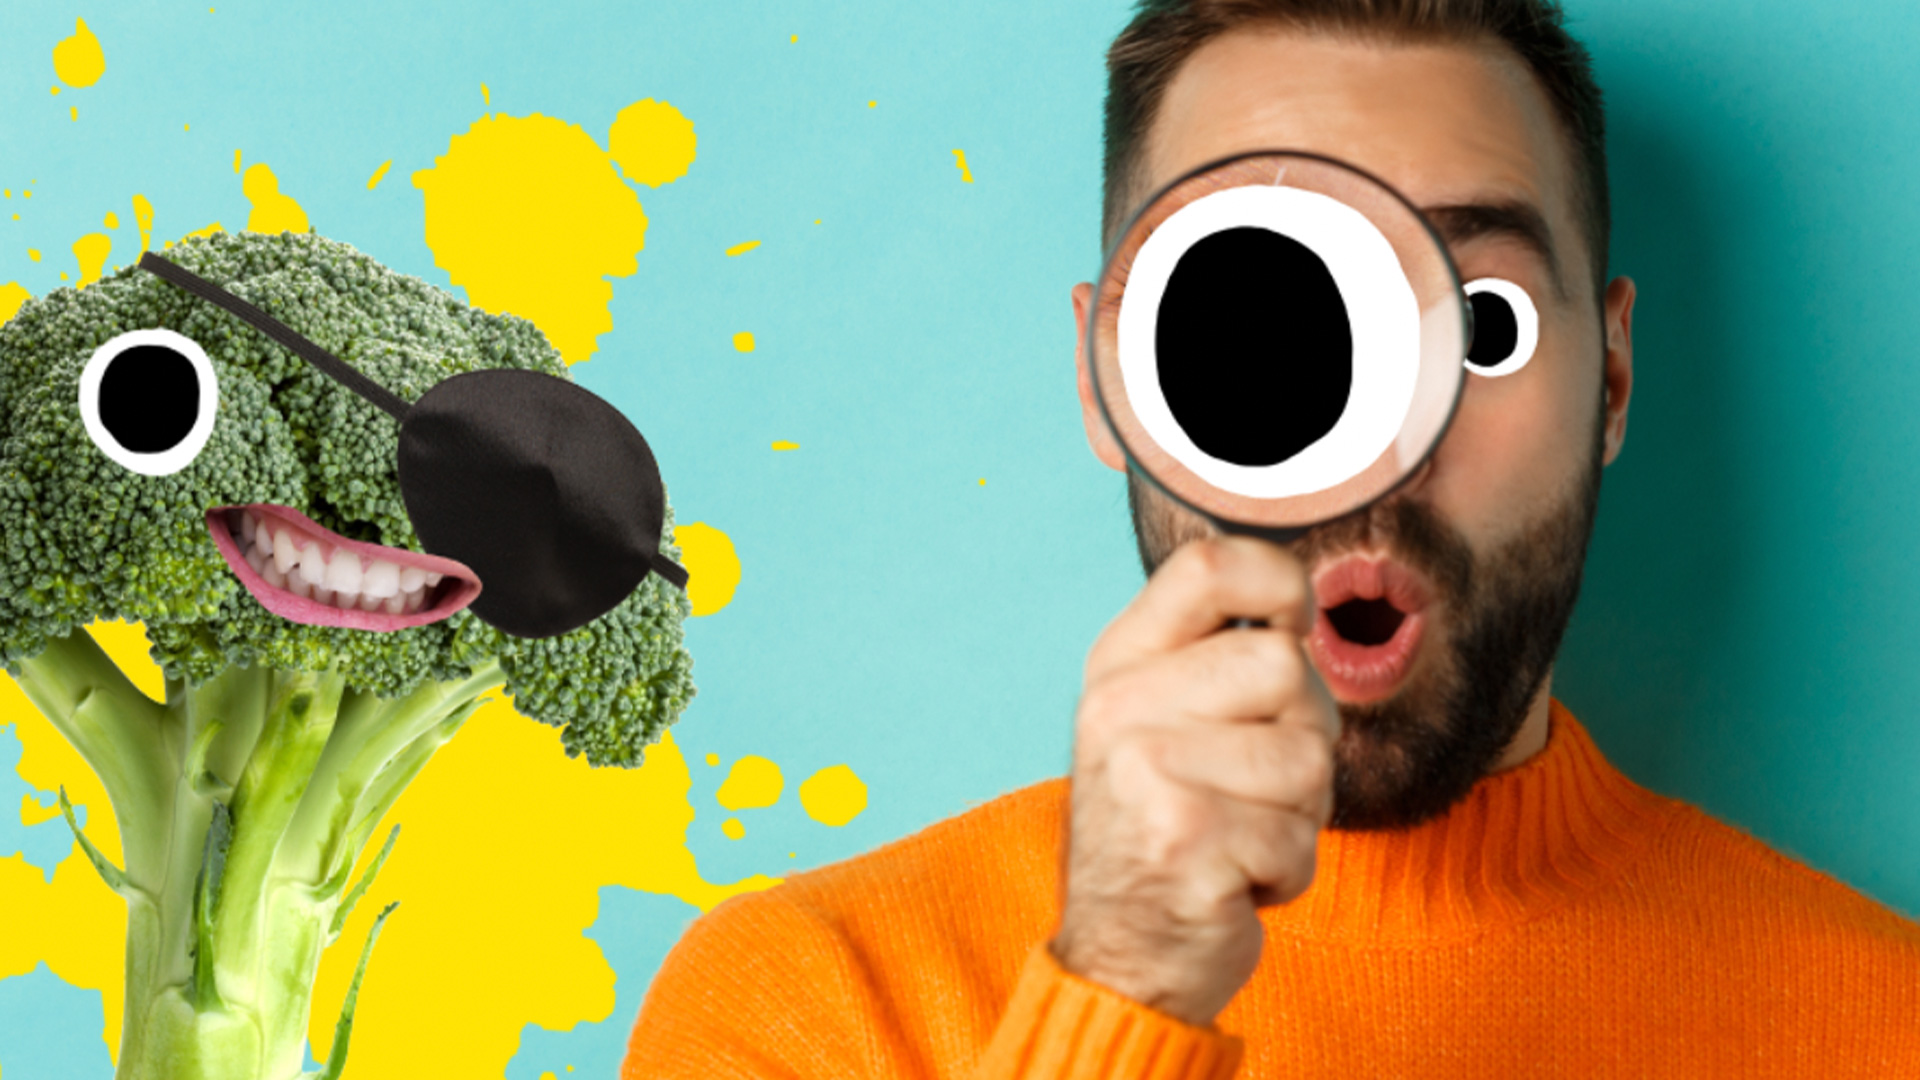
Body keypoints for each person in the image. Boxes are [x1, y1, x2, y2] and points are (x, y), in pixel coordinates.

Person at [623, 1, 1920, 1076]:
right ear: (1103, 378)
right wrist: (1115, 1002)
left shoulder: (1884, 1024)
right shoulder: (812, 1010)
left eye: (1480, 325)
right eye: (1245, 308)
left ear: (1615, 382)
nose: (1377, 448)